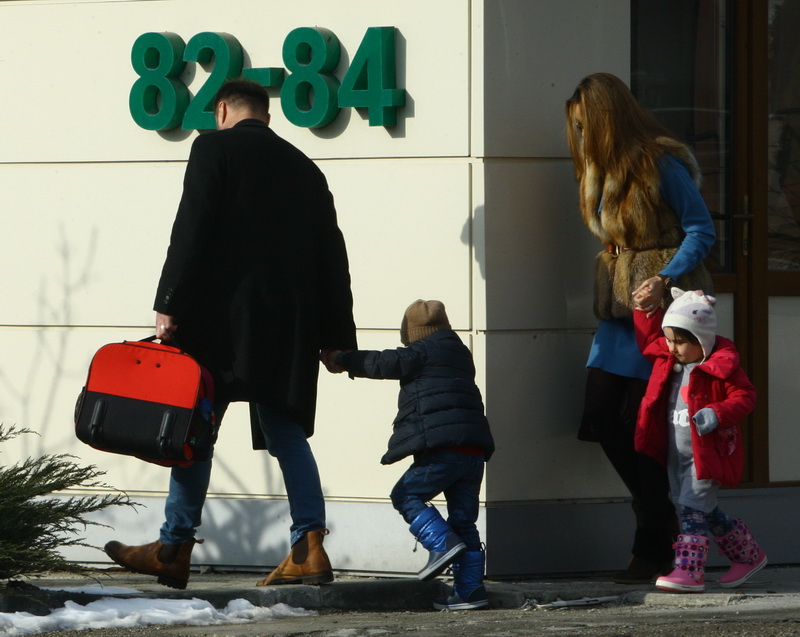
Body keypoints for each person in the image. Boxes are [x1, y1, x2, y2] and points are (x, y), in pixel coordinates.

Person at [104, 79, 357, 590]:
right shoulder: (306, 168)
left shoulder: (212, 147)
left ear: (222, 108)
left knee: (193, 432)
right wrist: (336, 336)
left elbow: (192, 226)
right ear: (265, 114)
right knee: (287, 434)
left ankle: (174, 547)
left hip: (219, 325)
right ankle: (309, 545)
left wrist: (169, 304)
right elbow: (333, 254)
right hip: (289, 328)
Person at [565, 72, 717, 583]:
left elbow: (702, 228)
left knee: (645, 426)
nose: (581, 137)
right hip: (618, 312)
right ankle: (659, 513)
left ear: (607, 121)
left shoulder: (660, 163)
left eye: (586, 126)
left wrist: (663, 277)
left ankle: (652, 538)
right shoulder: (598, 171)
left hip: (657, 311)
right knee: (602, 415)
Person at [324, 300, 495, 610]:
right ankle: (471, 592)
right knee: (464, 521)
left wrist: (343, 358)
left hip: (443, 450)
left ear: (415, 333)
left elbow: (383, 363)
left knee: (405, 495)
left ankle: (442, 543)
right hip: (473, 452)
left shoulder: (423, 352)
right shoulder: (458, 352)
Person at [632, 287, 766, 592]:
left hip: (707, 453)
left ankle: (689, 571)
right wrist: (644, 313)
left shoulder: (721, 367)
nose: (673, 347)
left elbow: (746, 396)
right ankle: (748, 555)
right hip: (677, 454)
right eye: (670, 339)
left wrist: (717, 413)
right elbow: (648, 341)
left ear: (701, 339)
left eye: (681, 341)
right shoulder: (668, 358)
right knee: (703, 508)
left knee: (692, 509)